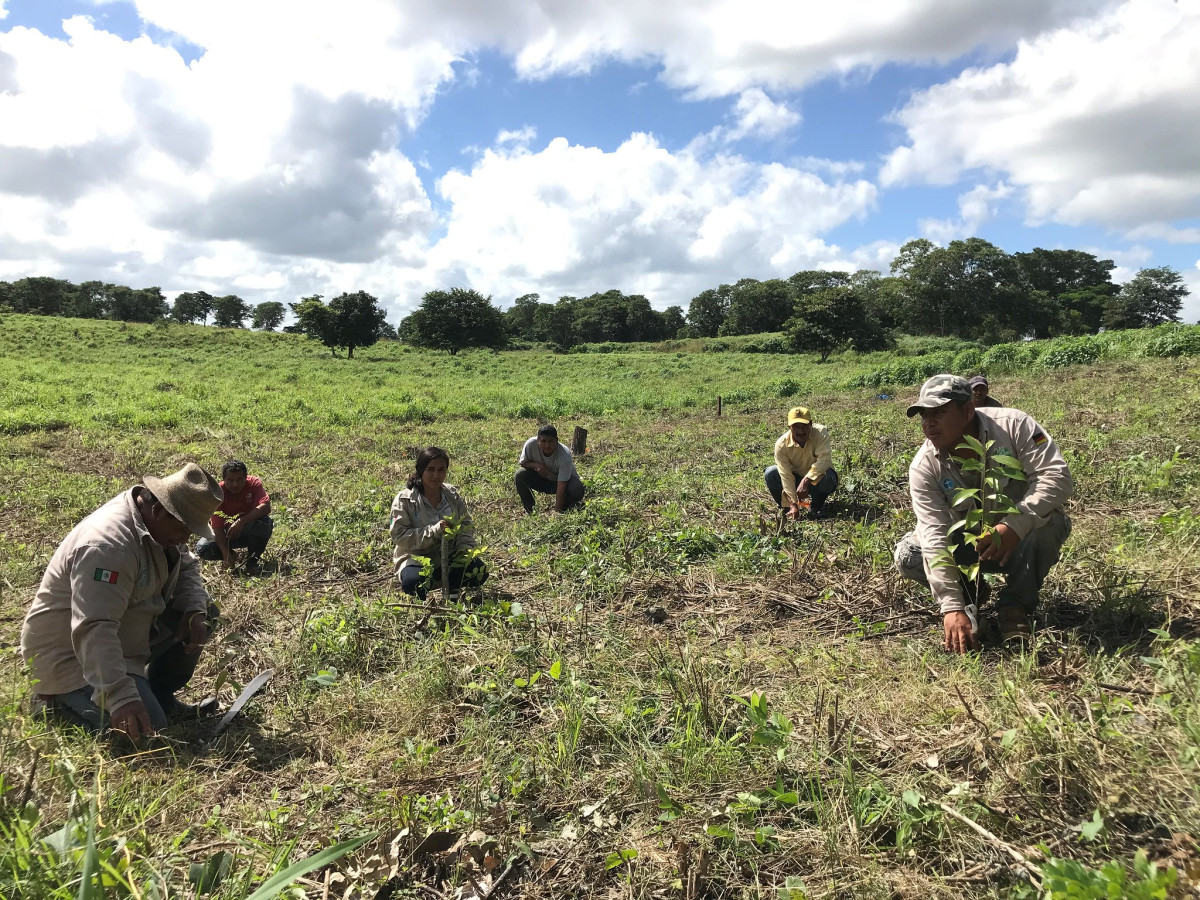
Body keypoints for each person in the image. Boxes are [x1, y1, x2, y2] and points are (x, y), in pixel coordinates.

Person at [20, 463, 224, 742]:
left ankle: (159, 696)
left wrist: (194, 609)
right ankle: (53, 702)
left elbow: (185, 564)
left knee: (204, 612)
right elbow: (95, 627)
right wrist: (121, 697)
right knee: (144, 731)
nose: (184, 539)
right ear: (158, 510)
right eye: (183, 530)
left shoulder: (162, 524)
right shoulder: (108, 547)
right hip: (72, 656)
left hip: (123, 637)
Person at [894, 374, 1073, 654]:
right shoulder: (924, 466)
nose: (929, 424)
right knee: (910, 555)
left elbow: (1056, 477)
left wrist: (1016, 524)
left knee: (1052, 522)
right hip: (968, 547)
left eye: (939, 413)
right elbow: (933, 534)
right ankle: (970, 598)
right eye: (924, 415)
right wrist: (951, 606)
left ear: (967, 410)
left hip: (1017, 543)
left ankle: (1014, 607)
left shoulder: (1014, 426)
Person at [390, 447, 489, 601]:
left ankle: (453, 590)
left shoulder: (452, 495)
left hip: (451, 555)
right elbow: (400, 536)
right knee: (413, 583)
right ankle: (423, 602)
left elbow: (465, 526)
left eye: (441, 470)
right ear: (421, 470)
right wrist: (434, 531)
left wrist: (464, 553)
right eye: (431, 469)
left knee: (479, 571)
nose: (436, 475)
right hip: (416, 559)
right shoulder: (405, 500)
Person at [195, 460, 273, 575]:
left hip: (248, 529)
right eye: (230, 480)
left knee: (264, 523)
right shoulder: (218, 493)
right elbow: (217, 528)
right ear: (224, 479)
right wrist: (226, 554)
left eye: (239, 479)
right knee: (203, 548)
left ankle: (252, 563)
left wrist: (242, 521)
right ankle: (231, 556)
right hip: (226, 534)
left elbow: (266, 507)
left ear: (246, 477)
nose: (235, 485)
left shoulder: (253, 483)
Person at [764, 406, 839, 519]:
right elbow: (786, 475)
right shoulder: (781, 444)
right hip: (796, 480)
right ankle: (787, 508)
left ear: (810, 424)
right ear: (789, 427)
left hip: (817, 481)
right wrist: (793, 504)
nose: (800, 431)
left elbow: (824, 461)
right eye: (796, 426)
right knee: (771, 473)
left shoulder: (820, 433)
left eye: (804, 426)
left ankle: (816, 507)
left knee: (828, 476)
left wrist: (806, 481)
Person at [514, 424, 586, 514]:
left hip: (562, 482)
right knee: (520, 474)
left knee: (576, 489)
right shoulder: (530, 445)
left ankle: (565, 508)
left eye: (550, 441)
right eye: (543, 441)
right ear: (538, 440)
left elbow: (562, 484)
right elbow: (523, 463)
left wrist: (557, 511)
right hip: (542, 478)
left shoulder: (564, 455)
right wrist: (536, 466)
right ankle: (530, 510)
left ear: (556, 441)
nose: (547, 445)